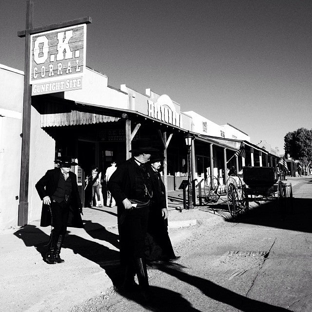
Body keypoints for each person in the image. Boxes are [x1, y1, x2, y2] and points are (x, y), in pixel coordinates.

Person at [107, 139, 158, 297]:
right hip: (131, 213)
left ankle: (127, 281)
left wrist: (161, 206)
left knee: (135, 246)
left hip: (145, 211)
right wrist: (123, 199)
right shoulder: (126, 166)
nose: (151, 155)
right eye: (148, 152)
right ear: (142, 154)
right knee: (138, 247)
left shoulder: (147, 167)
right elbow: (112, 184)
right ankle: (144, 286)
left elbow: (155, 186)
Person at [35, 156, 83, 264]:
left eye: (69, 166)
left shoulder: (72, 176)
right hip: (55, 203)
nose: (68, 168)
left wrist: (78, 206)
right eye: (66, 166)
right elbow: (39, 185)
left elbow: (75, 192)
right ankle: (50, 253)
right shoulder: (52, 174)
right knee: (57, 227)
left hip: (67, 205)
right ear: (61, 166)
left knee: (63, 229)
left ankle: (57, 253)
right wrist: (45, 196)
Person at [146, 153, 179, 263]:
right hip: (152, 208)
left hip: (160, 206)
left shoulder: (156, 174)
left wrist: (164, 206)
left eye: (160, 162)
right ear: (151, 163)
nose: (159, 164)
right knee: (153, 233)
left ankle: (167, 254)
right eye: (157, 162)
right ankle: (154, 256)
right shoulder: (148, 174)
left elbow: (161, 192)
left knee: (163, 231)